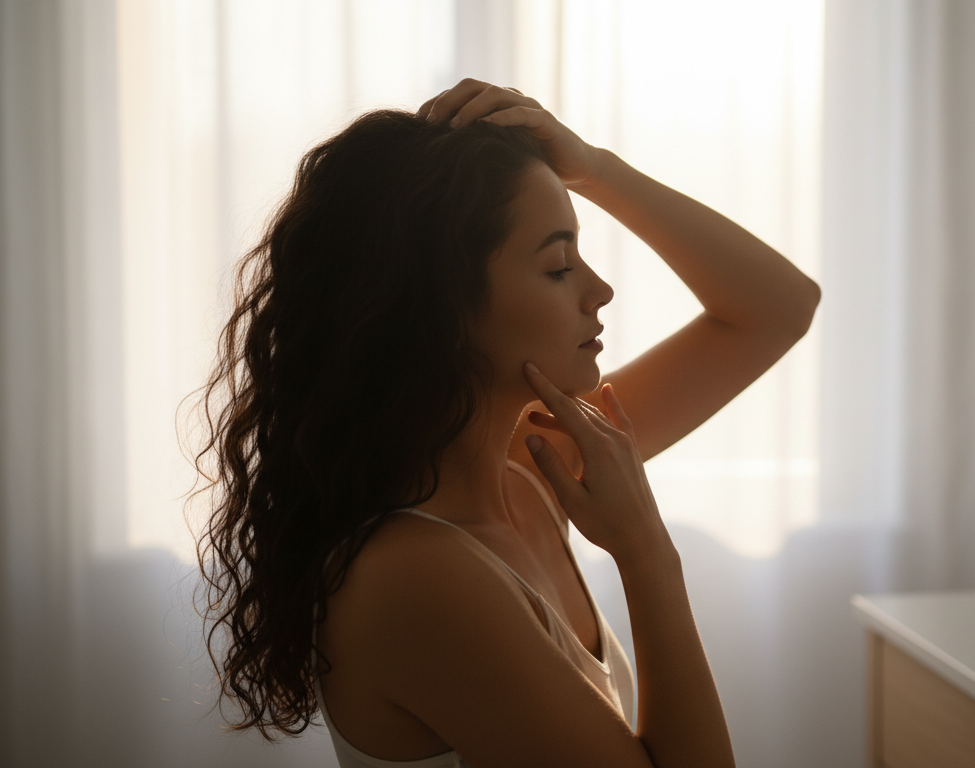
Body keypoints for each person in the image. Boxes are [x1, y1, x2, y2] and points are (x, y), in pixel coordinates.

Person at [195, 79, 820, 768]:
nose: (599, 290)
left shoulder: (528, 468)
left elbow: (779, 307)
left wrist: (593, 167)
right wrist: (647, 554)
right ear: (441, 313)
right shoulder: (416, 573)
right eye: (557, 266)